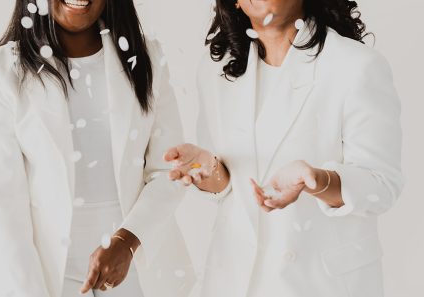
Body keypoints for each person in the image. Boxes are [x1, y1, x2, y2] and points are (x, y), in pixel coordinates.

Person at [165, 0, 404, 296]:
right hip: (236, 279)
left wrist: (316, 179)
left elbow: (382, 186)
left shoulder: (355, 65)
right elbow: (227, 186)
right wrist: (205, 167)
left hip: (319, 283)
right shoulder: (217, 68)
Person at [0, 1, 194, 297]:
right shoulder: (2, 71)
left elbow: (169, 170)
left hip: (138, 270)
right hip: (42, 276)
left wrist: (127, 241)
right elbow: (2, 205)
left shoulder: (146, 58)